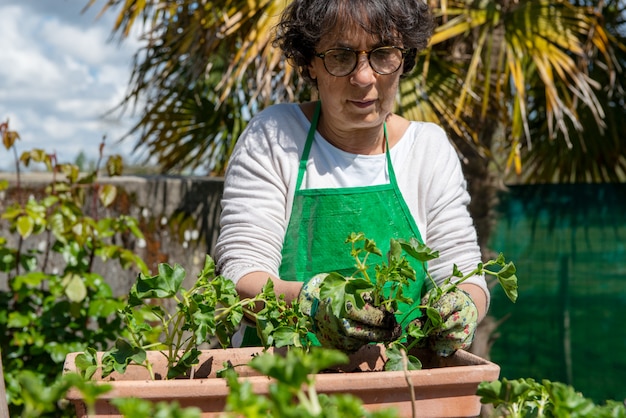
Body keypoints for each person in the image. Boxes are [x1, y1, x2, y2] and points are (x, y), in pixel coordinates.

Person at [214, 0, 489, 356]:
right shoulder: (275, 137)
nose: (363, 77)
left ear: (403, 59)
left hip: (397, 390)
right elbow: (241, 276)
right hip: (280, 385)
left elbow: (464, 271)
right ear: (310, 63)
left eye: (382, 53)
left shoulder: (427, 149)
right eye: (341, 56)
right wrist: (314, 304)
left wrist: (463, 304)